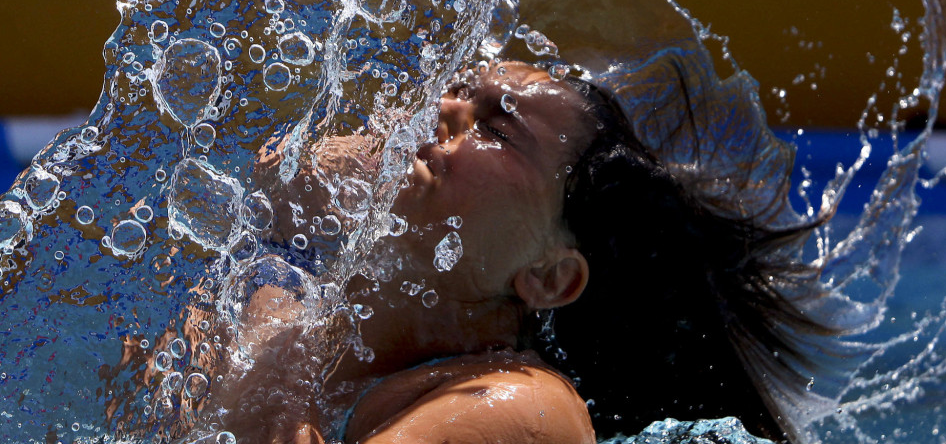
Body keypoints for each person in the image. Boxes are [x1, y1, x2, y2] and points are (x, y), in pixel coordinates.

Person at [203, 60, 836, 444]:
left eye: (497, 128)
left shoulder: (521, 410)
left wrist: (275, 337)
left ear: (550, 276)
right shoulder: (272, 305)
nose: (437, 111)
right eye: (453, 90)